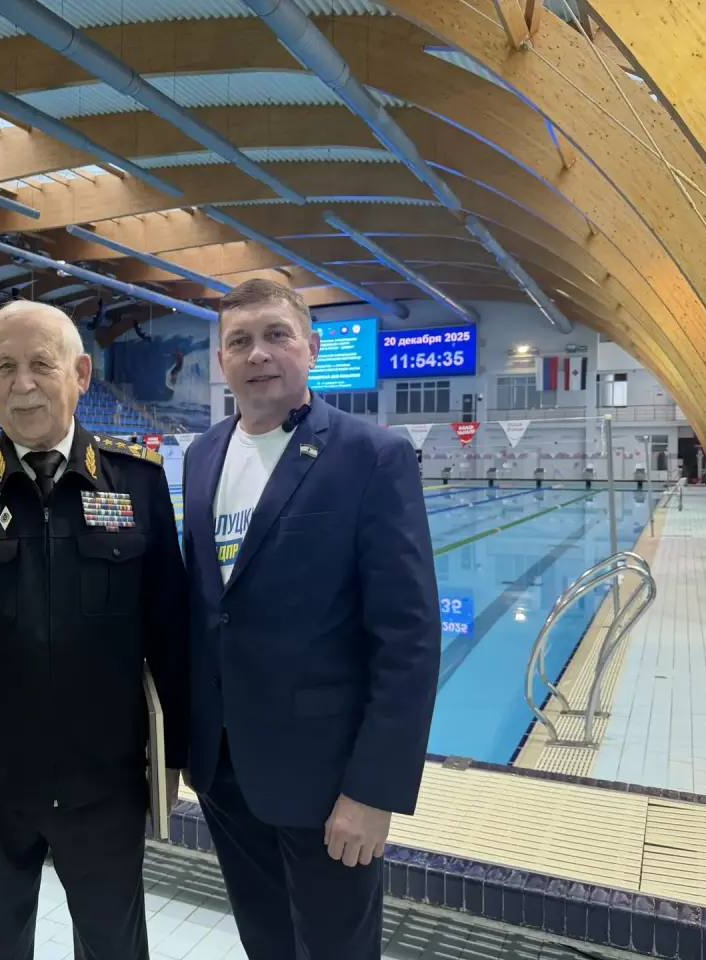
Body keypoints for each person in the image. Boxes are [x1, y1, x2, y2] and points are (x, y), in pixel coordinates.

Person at [0, 299, 188, 960]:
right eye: (5, 367)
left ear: (80, 374)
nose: (23, 384)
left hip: (105, 786)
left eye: (42, 365)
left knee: (115, 949)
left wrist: (172, 759)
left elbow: (170, 630)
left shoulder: (137, 482)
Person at [181, 279, 441, 960]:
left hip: (328, 785)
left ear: (312, 348)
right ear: (221, 358)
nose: (258, 353)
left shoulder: (370, 455)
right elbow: (208, 610)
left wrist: (373, 792)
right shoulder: (202, 456)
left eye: (276, 335)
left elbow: (409, 638)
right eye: (240, 341)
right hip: (226, 771)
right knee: (264, 943)